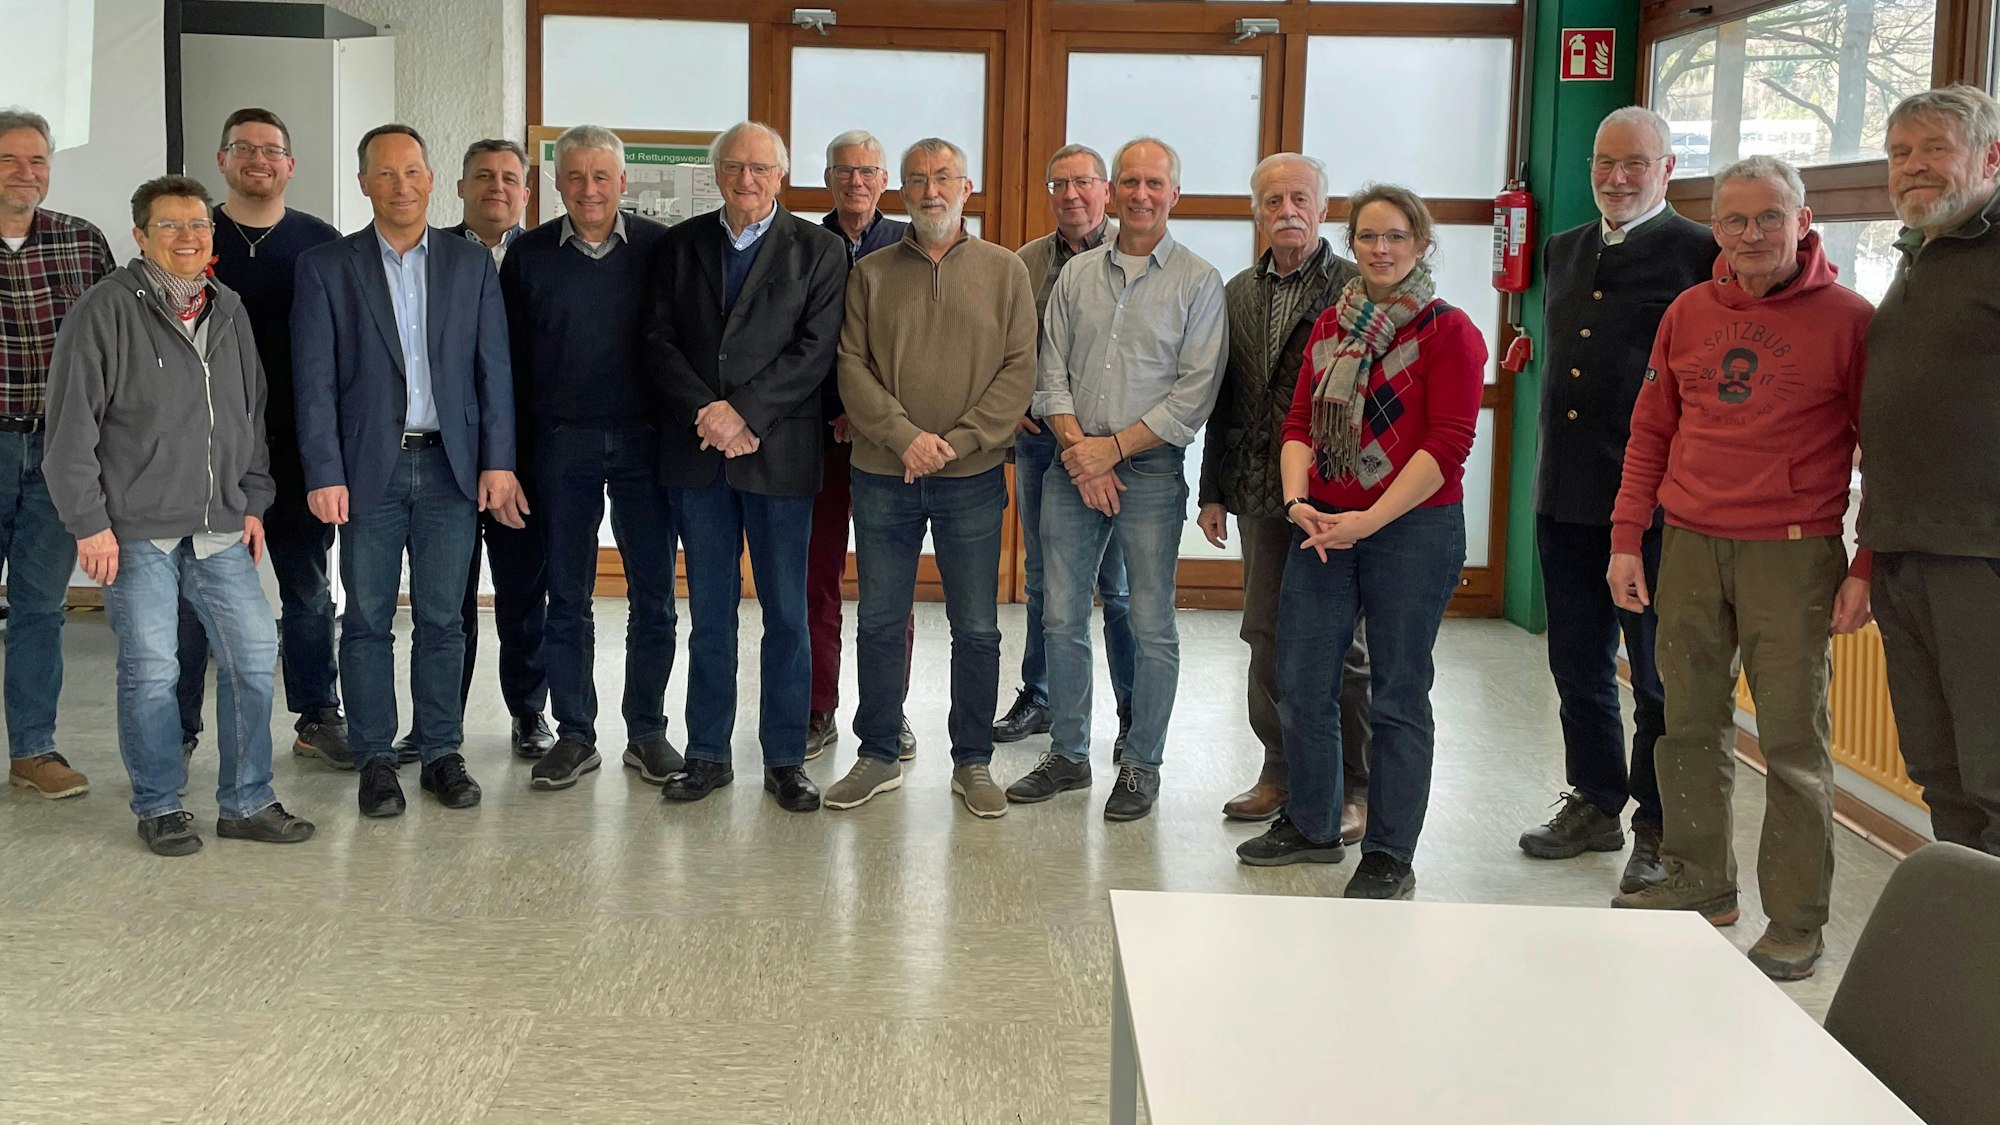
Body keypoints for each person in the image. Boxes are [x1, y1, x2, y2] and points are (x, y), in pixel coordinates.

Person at [1607, 156, 1873, 982]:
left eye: (1768, 217)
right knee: (1686, 721)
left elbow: (1885, 449)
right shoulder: (1688, 312)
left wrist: (1867, 561)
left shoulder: (1851, 319)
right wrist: (1626, 536)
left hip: (1792, 552)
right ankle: (1700, 881)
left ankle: (1795, 920)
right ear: (1714, 227)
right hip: (1687, 542)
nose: (1751, 235)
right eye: (1734, 220)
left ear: (1802, 218)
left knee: (1792, 743)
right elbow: (1651, 429)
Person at [44, 174, 315, 854]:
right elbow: (70, 431)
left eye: (198, 224)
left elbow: (249, 416)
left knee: (254, 657)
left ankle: (246, 799)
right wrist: (88, 522)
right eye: (170, 225)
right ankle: (160, 803)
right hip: (135, 530)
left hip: (221, 525)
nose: (189, 236)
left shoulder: (228, 309)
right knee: (152, 668)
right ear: (141, 235)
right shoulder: (103, 310)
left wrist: (251, 500)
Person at [1233, 184, 1484, 901]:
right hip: (1323, 527)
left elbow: (1448, 444)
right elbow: (1298, 428)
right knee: (1305, 681)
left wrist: (1367, 521)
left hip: (1413, 529)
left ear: (1421, 245)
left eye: (1396, 237)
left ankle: (1389, 853)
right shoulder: (1330, 328)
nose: (1381, 249)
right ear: (1353, 244)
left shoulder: (1451, 331)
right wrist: (1297, 500)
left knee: (1399, 694)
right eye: (1369, 236)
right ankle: (1312, 823)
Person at [292, 123, 527, 818]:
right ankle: (373, 758)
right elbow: (313, 383)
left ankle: (441, 753)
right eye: (385, 173)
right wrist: (322, 470)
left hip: (452, 469)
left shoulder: (468, 263)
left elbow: (495, 373)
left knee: (443, 620)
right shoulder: (327, 266)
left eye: (413, 171)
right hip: (369, 471)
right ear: (364, 182)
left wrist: (499, 463)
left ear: (432, 180)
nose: (401, 185)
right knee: (364, 620)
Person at [1519, 106, 1718, 891]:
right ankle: (1595, 799)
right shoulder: (1561, 251)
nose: (1617, 177)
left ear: (1667, 168)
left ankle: (1657, 826)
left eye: (1636, 162)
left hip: (1657, 506)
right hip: (1565, 493)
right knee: (1576, 662)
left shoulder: (1701, 252)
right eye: (1605, 162)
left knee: (1659, 676)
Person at [1008, 137, 1225, 822]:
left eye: (1152, 182)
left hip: (1152, 470)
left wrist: (1112, 451)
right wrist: (1081, 450)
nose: (1139, 194)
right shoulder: (1075, 277)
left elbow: (1194, 394)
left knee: (1153, 621)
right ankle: (1069, 754)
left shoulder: (1198, 281)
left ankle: (1140, 762)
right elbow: (1049, 373)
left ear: (1174, 193)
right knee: (1062, 614)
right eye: (1129, 180)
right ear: (1115, 190)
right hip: (1073, 463)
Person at [825, 137, 1037, 816]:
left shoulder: (1007, 272)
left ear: (966, 187)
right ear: (901, 192)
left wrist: (958, 442)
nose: (930, 190)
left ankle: (973, 761)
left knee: (976, 626)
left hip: (971, 477)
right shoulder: (872, 272)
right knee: (881, 621)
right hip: (883, 475)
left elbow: (1019, 372)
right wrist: (905, 437)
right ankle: (878, 753)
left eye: (943, 177)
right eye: (917, 180)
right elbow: (850, 366)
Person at [641, 121, 847, 813]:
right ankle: (707, 754)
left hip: (779, 454)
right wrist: (708, 411)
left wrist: (745, 415)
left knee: (787, 613)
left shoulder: (819, 251)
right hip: (699, 456)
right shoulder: (679, 245)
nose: (747, 179)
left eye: (760, 168)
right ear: (717, 173)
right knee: (711, 613)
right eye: (734, 166)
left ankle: (786, 758)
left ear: (781, 176)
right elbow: (657, 340)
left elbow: (815, 351)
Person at [172, 108, 350, 782]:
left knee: (307, 588)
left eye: (271, 150)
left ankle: (316, 715)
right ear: (221, 161)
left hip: (296, 449)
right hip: (205, 450)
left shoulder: (320, 243)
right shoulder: (190, 235)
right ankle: (179, 728)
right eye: (242, 148)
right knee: (194, 593)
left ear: (290, 165)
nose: (258, 160)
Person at [1198, 151, 1372, 836]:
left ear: (1324, 210)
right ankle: (1279, 768)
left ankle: (1356, 783)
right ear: (1256, 211)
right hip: (1259, 495)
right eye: (1272, 200)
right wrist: (1212, 489)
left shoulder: (1359, 286)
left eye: (1299, 198)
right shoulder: (1237, 292)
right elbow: (1226, 398)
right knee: (1263, 632)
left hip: (1338, 496)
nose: (1286, 211)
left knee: (1342, 646)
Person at [501, 124, 679, 791]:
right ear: (556, 183)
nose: (588, 189)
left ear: (623, 182)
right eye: (574, 176)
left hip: (645, 441)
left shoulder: (661, 250)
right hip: (560, 441)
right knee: (566, 596)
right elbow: (511, 363)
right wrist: (511, 458)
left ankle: (648, 730)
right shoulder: (530, 255)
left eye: (601, 176)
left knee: (655, 596)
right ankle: (575, 733)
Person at [1862, 85, 2000, 857]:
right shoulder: (1921, 253)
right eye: (1899, 153)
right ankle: (1965, 942)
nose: (1912, 167)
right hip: (1904, 547)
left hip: (1980, 554)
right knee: (1939, 772)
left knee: (1994, 777)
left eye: (1934, 148)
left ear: (1990, 158)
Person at [997, 143, 1137, 754]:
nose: (1071, 195)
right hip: (1041, 444)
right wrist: (1010, 412)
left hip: (1117, 448)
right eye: (1059, 185)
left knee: (1121, 586)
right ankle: (1043, 694)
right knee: (1045, 578)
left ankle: (1134, 704)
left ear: (1106, 191)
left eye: (1084, 183)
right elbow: (1003, 348)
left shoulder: (1134, 255)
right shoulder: (1025, 263)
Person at [0, 106, 112, 801]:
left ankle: (33, 749)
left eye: (38, 160)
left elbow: (109, 347)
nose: (27, 173)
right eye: (11, 159)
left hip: (55, 455)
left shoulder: (80, 241)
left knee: (41, 605)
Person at [434, 137, 552, 761]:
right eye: (483, 176)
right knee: (447, 598)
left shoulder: (543, 257)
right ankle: (439, 722)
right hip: (446, 458)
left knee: (522, 592)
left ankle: (529, 711)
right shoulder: (430, 256)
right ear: (459, 188)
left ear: (526, 193)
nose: (496, 188)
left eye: (510, 178)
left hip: (525, 460)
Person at [806, 128, 914, 762]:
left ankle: (887, 714)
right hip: (814, 442)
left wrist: (870, 413)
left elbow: (916, 346)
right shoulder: (799, 243)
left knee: (888, 587)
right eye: (843, 171)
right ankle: (817, 706)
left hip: (886, 443)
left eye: (868, 171)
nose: (856, 181)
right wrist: (836, 408)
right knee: (815, 580)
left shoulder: (907, 244)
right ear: (828, 180)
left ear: (883, 182)